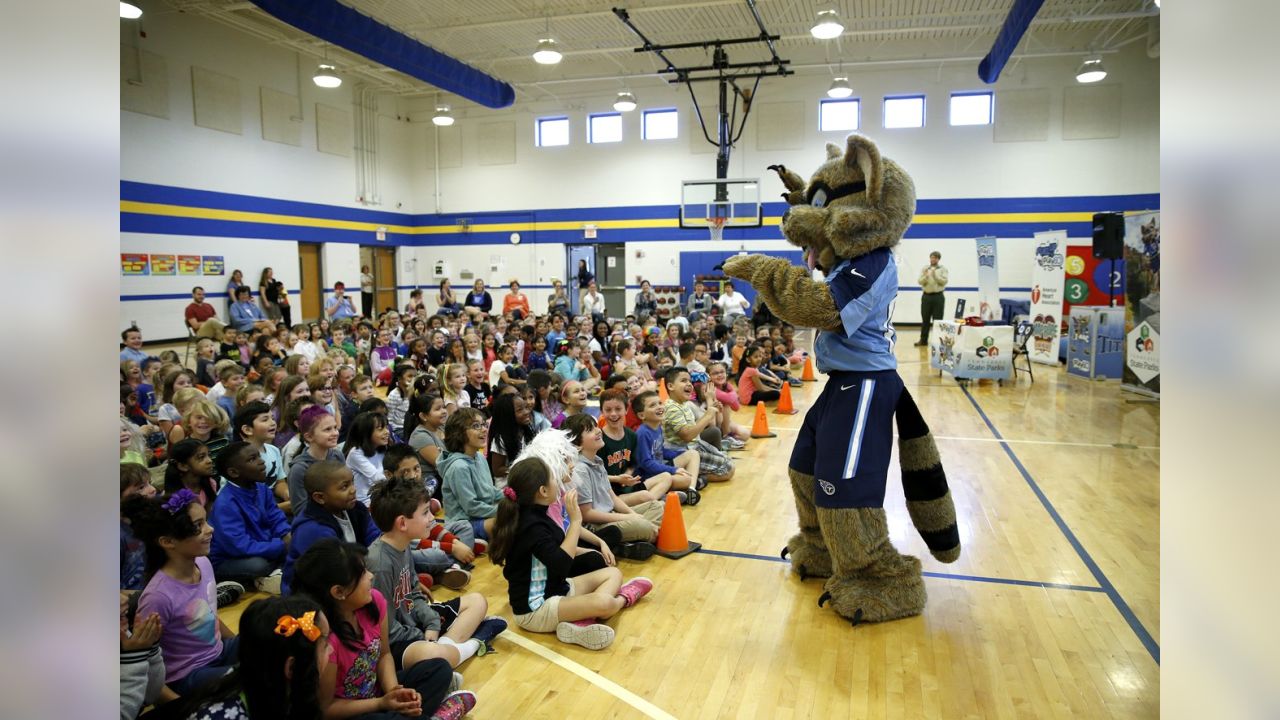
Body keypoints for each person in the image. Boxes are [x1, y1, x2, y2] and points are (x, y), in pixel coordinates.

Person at [290, 539, 477, 719]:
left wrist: (395, 693)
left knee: (439, 669)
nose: (371, 576)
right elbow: (327, 709)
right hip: (352, 712)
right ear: (339, 592)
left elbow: (384, 654)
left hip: (378, 695)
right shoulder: (326, 640)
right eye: (362, 573)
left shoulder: (375, 600)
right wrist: (381, 704)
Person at [489, 456, 653, 650]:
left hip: (558, 590)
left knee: (613, 573)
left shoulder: (538, 513)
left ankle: (581, 622)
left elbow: (560, 553)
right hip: (535, 609)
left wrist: (596, 543)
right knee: (605, 603)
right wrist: (576, 521)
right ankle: (622, 599)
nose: (556, 481)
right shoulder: (531, 526)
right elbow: (562, 565)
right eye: (552, 478)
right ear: (542, 491)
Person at [366, 478, 504, 672]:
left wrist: (431, 622)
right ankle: (473, 643)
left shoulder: (403, 546)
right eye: (425, 513)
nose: (432, 518)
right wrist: (420, 636)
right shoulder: (379, 564)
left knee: (477, 601)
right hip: (397, 640)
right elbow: (385, 631)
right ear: (402, 523)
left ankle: (447, 652)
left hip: (414, 623)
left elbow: (413, 594)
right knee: (433, 655)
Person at [123, 490, 240, 697]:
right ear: (168, 542)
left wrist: (240, 643)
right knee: (247, 680)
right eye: (198, 526)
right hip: (187, 675)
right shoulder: (157, 597)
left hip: (218, 653)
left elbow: (211, 617)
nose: (210, 529)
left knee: (266, 638)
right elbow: (146, 662)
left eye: (206, 521)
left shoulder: (202, 563)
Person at [563, 413, 663, 559]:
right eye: (590, 430)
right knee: (646, 527)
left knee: (657, 506)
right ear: (577, 444)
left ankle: (626, 543)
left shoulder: (597, 460)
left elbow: (612, 496)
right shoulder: (579, 468)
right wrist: (629, 518)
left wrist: (632, 515)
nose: (598, 431)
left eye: (596, 426)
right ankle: (629, 539)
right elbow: (587, 514)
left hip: (609, 515)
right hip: (597, 526)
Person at [209, 442, 290, 594]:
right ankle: (271, 573)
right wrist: (279, 545)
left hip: (262, 545)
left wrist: (286, 535)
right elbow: (238, 546)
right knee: (258, 565)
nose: (261, 461)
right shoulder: (226, 503)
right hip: (230, 558)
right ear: (234, 472)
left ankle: (273, 575)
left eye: (259, 456)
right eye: (252, 459)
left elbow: (276, 517)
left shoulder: (262, 488)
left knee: (296, 539)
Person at [598, 389, 696, 507]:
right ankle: (657, 503)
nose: (613, 414)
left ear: (626, 410)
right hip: (611, 494)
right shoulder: (598, 439)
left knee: (667, 477)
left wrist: (628, 474)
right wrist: (618, 479)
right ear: (601, 411)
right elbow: (595, 475)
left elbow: (633, 464)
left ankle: (666, 498)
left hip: (631, 485)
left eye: (618, 409)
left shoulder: (631, 435)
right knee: (646, 495)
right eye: (608, 410)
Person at [664, 367, 735, 483]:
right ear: (671, 386)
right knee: (728, 470)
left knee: (727, 460)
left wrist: (712, 404)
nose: (689, 384)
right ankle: (694, 479)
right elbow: (687, 435)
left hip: (694, 445)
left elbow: (714, 423)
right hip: (683, 453)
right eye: (683, 381)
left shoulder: (684, 404)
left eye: (689, 381)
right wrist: (708, 413)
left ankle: (692, 476)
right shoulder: (672, 407)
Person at [440, 408, 501, 541]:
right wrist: (501, 511)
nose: (484, 429)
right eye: (476, 426)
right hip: (463, 524)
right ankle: (468, 542)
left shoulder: (479, 457)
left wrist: (510, 497)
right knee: (505, 523)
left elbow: (490, 490)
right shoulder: (459, 467)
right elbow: (471, 507)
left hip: (482, 516)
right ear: (458, 433)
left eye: (484, 424)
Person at [286, 406, 346, 515]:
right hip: (317, 522)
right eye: (328, 429)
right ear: (309, 437)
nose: (335, 433)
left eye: (335, 427)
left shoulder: (337, 455)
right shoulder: (299, 469)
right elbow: (300, 509)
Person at [344, 411, 391, 506]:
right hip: (365, 503)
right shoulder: (356, 453)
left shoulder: (381, 448)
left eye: (386, 427)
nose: (387, 432)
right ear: (366, 433)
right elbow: (378, 478)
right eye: (380, 429)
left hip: (381, 496)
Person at [916, 250, 949, 346]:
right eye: (931, 257)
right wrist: (926, 276)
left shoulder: (943, 269)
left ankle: (938, 342)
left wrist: (935, 275)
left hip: (938, 297)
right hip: (926, 297)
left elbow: (944, 282)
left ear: (938, 259)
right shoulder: (925, 268)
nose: (932, 259)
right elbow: (920, 281)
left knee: (938, 320)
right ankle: (923, 340)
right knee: (925, 319)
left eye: (934, 258)